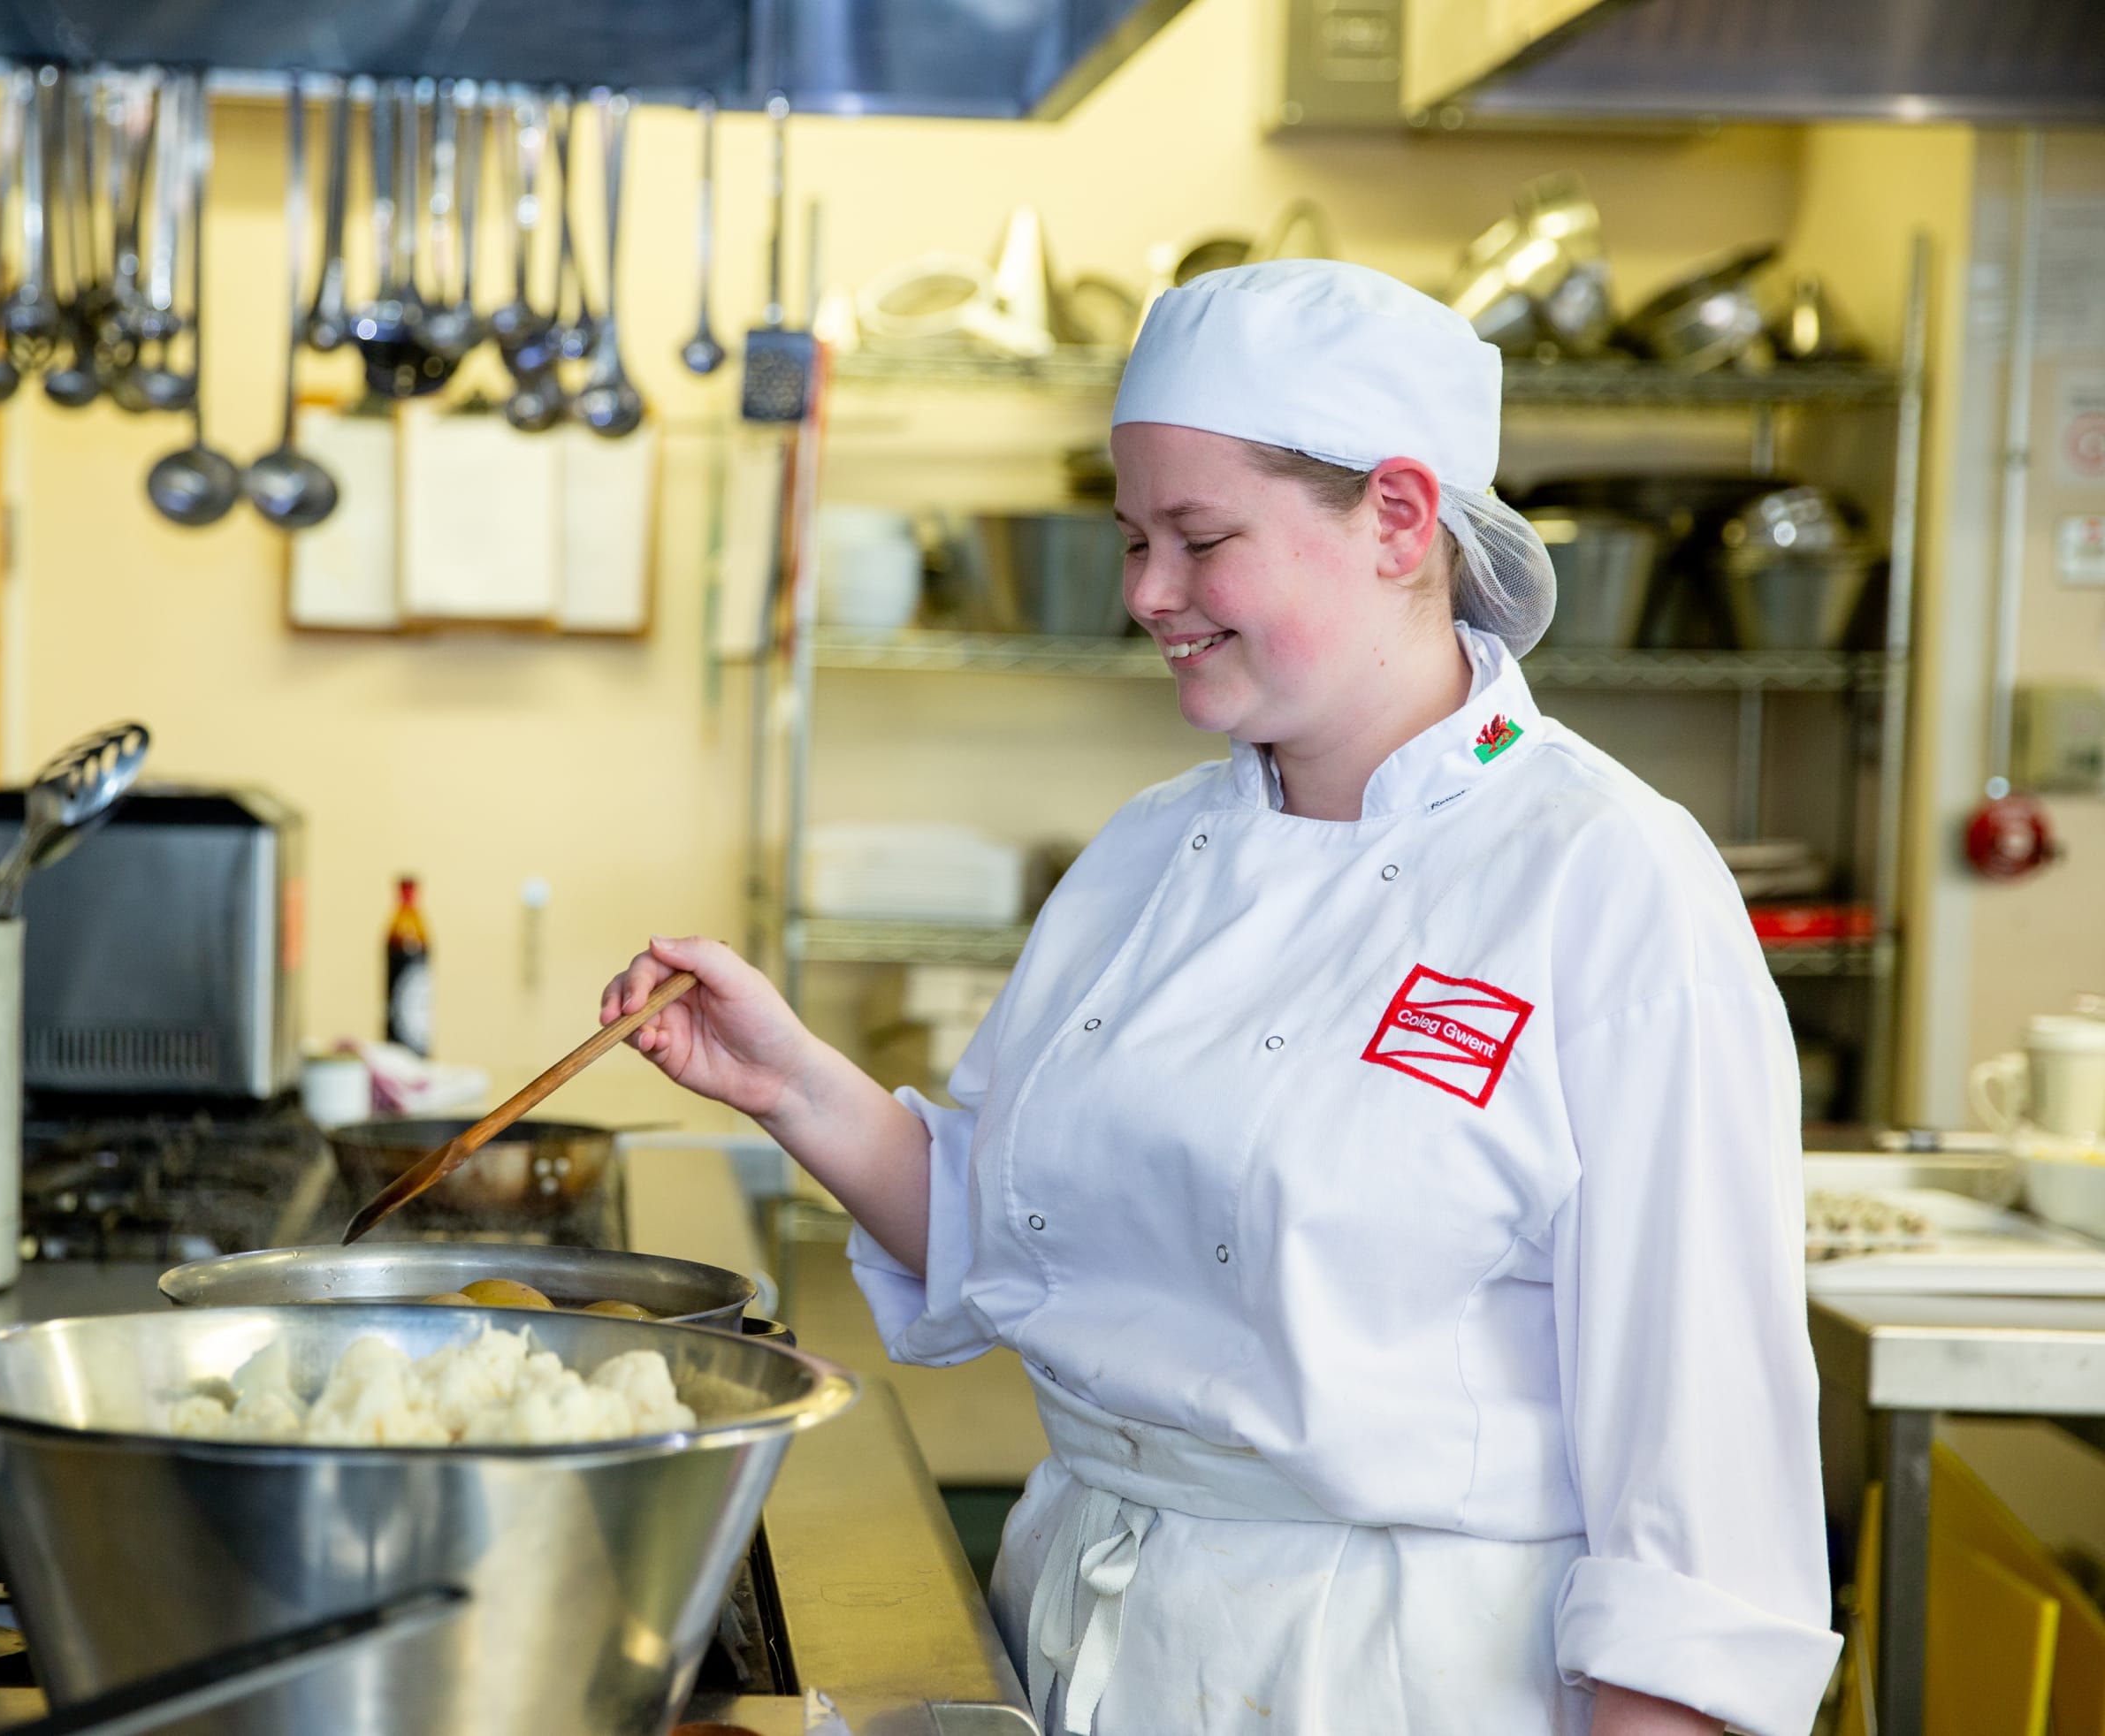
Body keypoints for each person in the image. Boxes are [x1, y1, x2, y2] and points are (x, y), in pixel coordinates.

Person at [602, 260, 1839, 1735]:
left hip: (1390, 1680)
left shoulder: (1609, 884)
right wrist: (791, 1082)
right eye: (1132, 538)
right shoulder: (1144, 857)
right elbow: (1020, 1228)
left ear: (1396, 516)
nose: (1144, 594)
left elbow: (1704, 1487)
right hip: (1078, 1636)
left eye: (1197, 537)